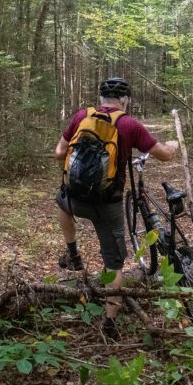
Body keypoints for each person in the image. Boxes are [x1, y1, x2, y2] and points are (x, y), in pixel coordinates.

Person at [53, 77, 178, 340]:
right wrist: (173, 146)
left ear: (101, 98)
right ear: (125, 100)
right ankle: (109, 323)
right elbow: (164, 155)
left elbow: (59, 153)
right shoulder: (129, 124)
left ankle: (73, 253)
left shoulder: (82, 116)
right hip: (107, 204)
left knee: (60, 200)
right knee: (114, 263)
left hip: (75, 200)